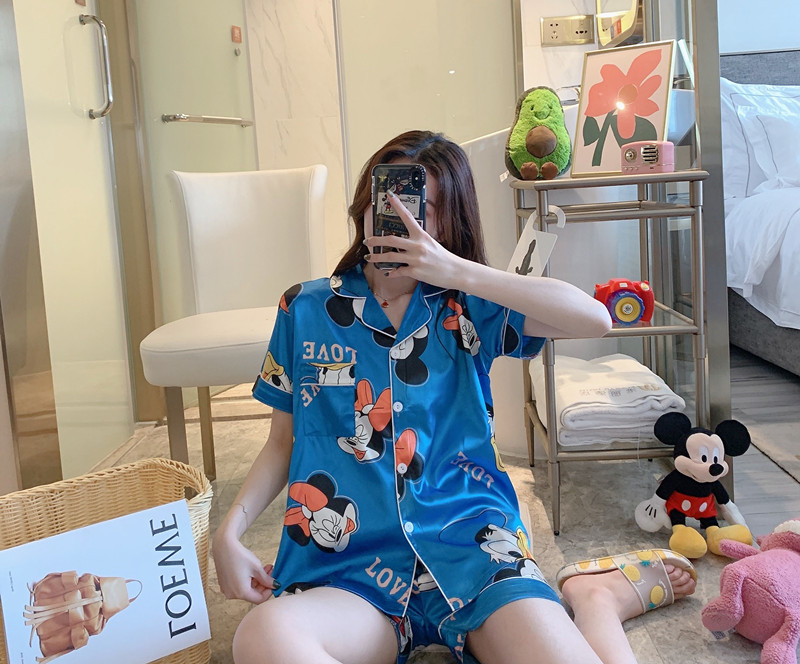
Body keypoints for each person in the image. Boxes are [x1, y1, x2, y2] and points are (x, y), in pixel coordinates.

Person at [213, 131, 697, 664]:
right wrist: (229, 533)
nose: (398, 215)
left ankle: (595, 600)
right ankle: (591, 601)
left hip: (474, 549)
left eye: (421, 206)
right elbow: (282, 442)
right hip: (348, 568)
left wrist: (455, 270)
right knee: (261, 638)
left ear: (447, 223)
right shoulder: (303, 309)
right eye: (385, 198)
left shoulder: (470, 304)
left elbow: (595, 319)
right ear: (364, 205)